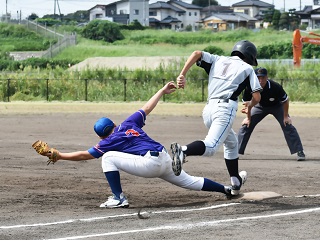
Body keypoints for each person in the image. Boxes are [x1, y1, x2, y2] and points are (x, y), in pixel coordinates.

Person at [37, 81, 240, 209]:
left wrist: (59, 155)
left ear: (101, 136)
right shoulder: (128, 123)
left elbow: (84, 155)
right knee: (190, 181)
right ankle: (225, 189)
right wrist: (161, 90)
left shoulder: (107, 142)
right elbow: (147, 107)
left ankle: (118, 198)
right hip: (163, 157)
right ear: (114, 124)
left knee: (107, 157)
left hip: (149, 164)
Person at [170, 40, 262, 196]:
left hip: (208, 110)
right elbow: (257, 96)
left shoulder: (218, 59)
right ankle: (183, 151)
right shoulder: (247, 68)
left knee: (232, 143)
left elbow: (196, 53)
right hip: (224, 109)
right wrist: (250, 105)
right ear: (249, 56)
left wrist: (182, 74)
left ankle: (235, 182)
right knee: (211, 146)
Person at [237, 67, 306, 161]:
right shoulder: (250, 86)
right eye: (258, 78)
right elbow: (248, 105)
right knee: (246, 125)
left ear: (267, 77)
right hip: (259, 106)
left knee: (287, 124)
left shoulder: (275, 86)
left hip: (277, 106)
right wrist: (248, 118)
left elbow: (285, 101)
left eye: (263, 78)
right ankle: (235, 152)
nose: (260, 80)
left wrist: (286, 116)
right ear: (255, 78)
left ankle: (299, 151)